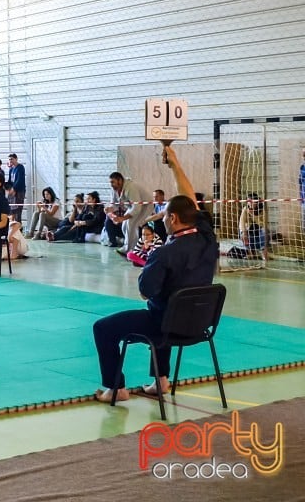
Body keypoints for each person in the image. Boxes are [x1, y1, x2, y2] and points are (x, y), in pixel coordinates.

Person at [92, 144, 218, 403]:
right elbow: (190, 200)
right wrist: (174, 164)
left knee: (104, 328)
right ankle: (160, 380)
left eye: (164, 216)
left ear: (172, 219)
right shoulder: (208, 238)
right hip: (199, 324)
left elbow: (143, 291)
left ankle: (115, 388)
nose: (160, 220)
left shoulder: (163, 253)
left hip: (167, 327)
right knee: (170, 307)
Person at [104, 171, 148, 254]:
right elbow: (115, 204)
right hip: (133, 207)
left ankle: (132, 249)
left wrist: (123, 218)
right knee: (124, 226)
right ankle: (127, 247)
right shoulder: (114, 189)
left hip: (145, 207)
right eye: (110, 182)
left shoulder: (131, 187)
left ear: (120, 180)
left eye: (113, 182)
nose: (111, 184)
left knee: (131, 224)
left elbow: (137, 207)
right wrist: (109, 209)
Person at [238, 192, 267, 257]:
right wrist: (244, 232)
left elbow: (263, 225)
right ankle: (249, 250)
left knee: (265, 231)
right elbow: (241, 222)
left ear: (257, 202)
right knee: (243, 232)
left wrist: (253, 215)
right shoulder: (245, 209)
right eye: (248, 201)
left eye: (252, 201)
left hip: (258, 231)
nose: (250, 203)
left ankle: (263, 250)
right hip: (249, 231)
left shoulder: (262, 210)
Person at [6, 153, 26, 223]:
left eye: (12, 159)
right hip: (12, 193)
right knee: (11, 211)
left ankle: (19, 230)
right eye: (9, 159)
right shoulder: (11, 169)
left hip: (19, 191)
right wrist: (7, 188)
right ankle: (12, 229)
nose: (10, 161)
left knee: (18, 212)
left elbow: (19, 180)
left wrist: (14, 189)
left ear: (16, 159)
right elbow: (9, 181)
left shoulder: (20, 167)